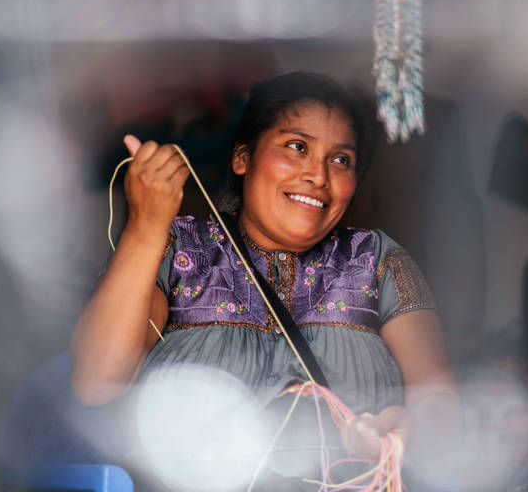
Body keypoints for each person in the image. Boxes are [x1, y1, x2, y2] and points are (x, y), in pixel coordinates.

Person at [69, 72, 460, 488]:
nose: (319, 175)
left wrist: (403, 429)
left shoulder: (378, 260)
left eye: (340, 159)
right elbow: (96, 383)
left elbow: (439, 401)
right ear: (242, 158)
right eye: (297, 147)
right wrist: (146, 226)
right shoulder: (175, 249)